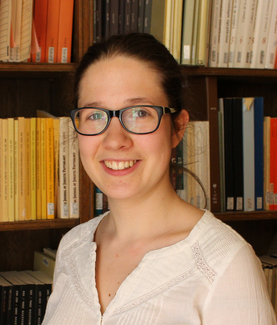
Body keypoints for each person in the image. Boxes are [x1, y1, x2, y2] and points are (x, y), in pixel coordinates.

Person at [42, 33, 276, 325]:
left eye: (139, 112)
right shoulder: (72, 248)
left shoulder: (225, 265)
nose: (115, 140)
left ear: (178, 127)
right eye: (94, 115)